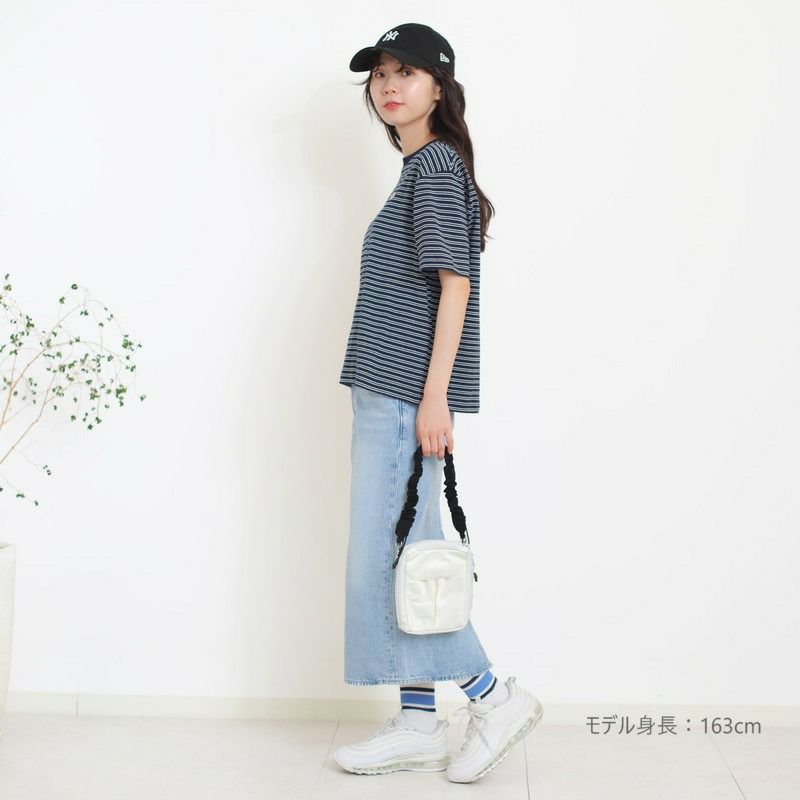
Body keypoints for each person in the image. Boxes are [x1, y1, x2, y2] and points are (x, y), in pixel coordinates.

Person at [334, 23, 544, 783]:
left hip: (403, 396)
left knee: (385, 560)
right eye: (380, 74)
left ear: (439, 88)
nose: (390, 85)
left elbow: (455, 285)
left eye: (408, 72)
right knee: (404, 557)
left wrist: (433, 399)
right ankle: (420, 723)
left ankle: (492, 697)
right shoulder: (420, 169)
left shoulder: (436, 168)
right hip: (387, 391)